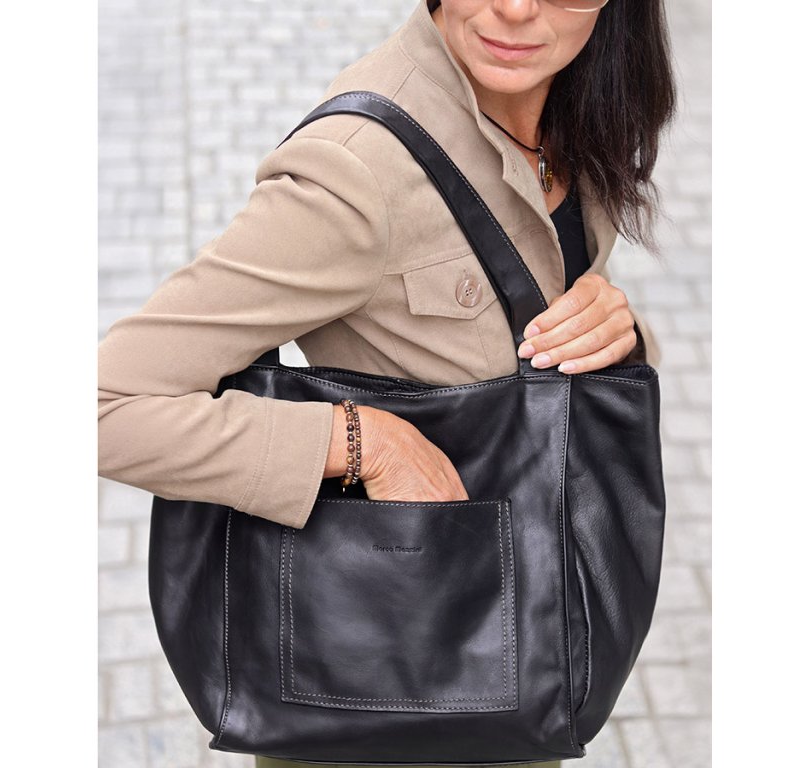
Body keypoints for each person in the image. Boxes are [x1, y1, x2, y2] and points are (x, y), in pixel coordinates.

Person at [99, 0, 675, 765]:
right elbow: (105, 403)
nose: (515, 7)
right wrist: (356, 441)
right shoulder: (357, 168)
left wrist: (618, 331)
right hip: (370, 693)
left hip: (525, 665)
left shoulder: (573, 103)